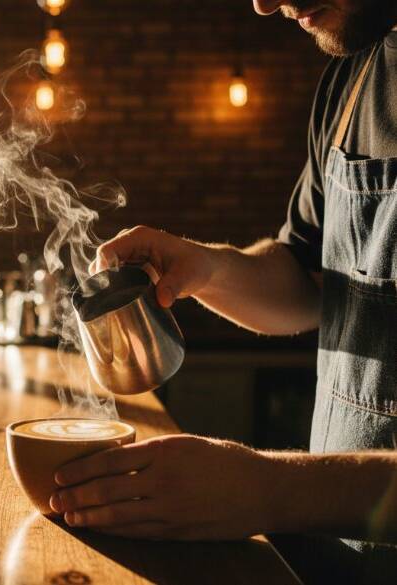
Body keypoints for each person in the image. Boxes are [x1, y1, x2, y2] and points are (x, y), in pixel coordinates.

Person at [48, 3, 397, 583]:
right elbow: (312, 284)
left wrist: (272, 490)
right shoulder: (354, 75)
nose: (263, 2)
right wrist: (205, 268)